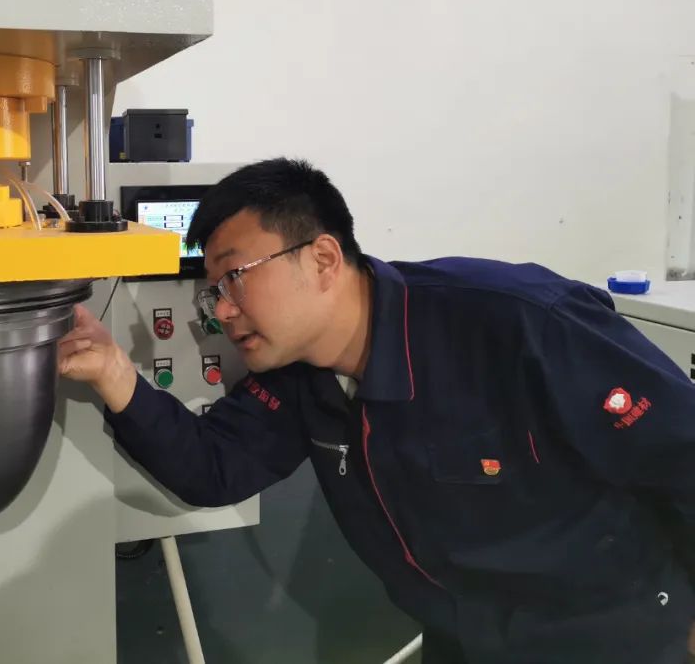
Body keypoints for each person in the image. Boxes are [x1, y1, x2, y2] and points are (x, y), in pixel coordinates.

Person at [57, 157, 695, 664]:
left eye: (235, 278)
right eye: (213, 293)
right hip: (465, 645)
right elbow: (214, 468)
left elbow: (682, 450)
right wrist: (113, 371)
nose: (221, 310)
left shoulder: (516, 323)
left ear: (323, 259)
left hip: (612, 640)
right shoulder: (303, 375)